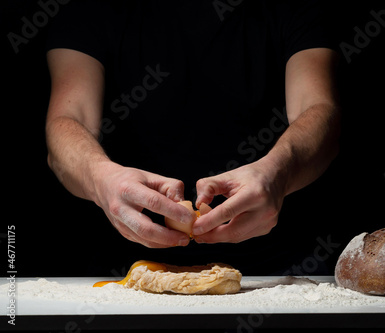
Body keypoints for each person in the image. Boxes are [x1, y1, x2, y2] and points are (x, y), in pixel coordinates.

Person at [45, 0, 341, 275]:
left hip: (279, 271)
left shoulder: (291, 5)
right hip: (121, 273)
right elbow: (67, 122)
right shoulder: (92, 6)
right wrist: (100, 177)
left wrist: (278, 171)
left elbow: (319, 110)